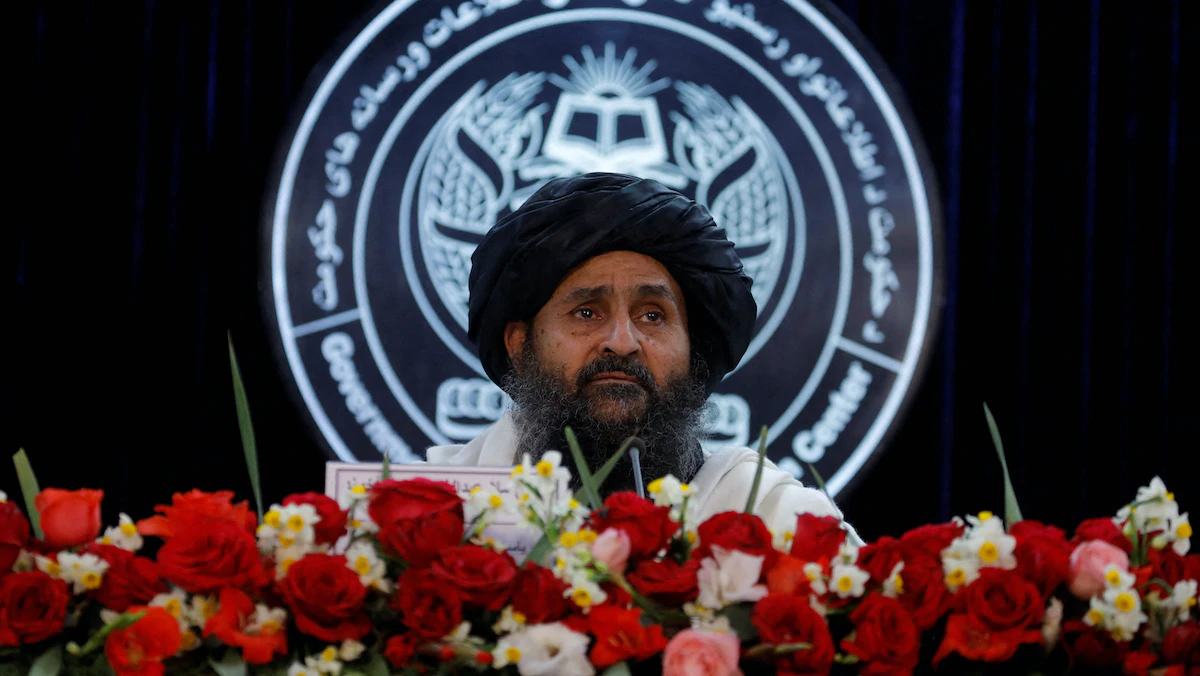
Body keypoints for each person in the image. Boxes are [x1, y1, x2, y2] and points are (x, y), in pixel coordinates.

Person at [425, 172, 857, 541]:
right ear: (520, 346)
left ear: (692, 350)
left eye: (653, 315)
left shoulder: (776, 521)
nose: (622, 342)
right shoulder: (431, 515)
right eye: (587, 312)